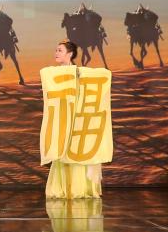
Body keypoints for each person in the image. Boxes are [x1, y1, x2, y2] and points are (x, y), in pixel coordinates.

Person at [40, 40, 113, 199]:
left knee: (77, 150)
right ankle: (64, 188)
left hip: (77, 120)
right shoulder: (54, 74)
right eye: (56, 50)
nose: (56, 53)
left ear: (70, 54)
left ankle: (80, 188)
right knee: (62, 150)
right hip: (63, 120)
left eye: (60, 50)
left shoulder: (80, 73)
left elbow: (102, 77)